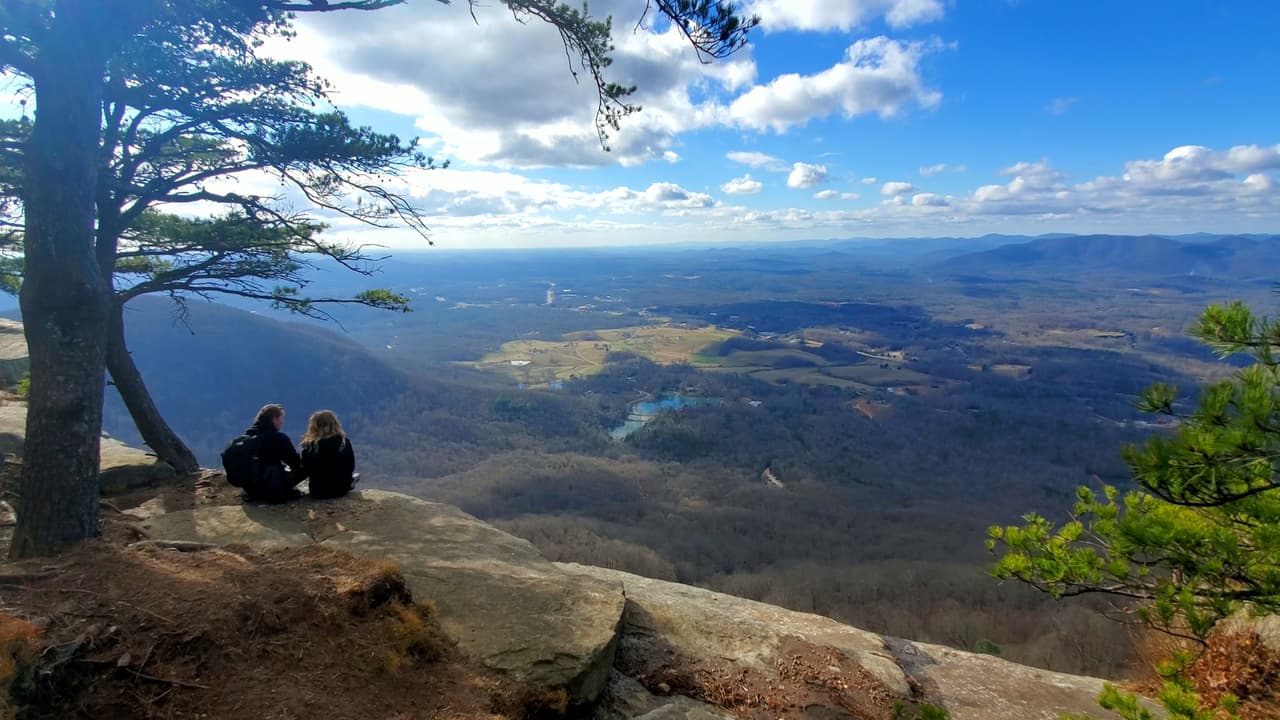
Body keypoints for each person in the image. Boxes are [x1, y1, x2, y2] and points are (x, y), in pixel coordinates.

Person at [242, 403, 306, 503]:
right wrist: (307, 448)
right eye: (281, 418)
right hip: (271, 487)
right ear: (274, 419)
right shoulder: (278, 438)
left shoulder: (248, 436)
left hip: (251, 488)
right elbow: (295, 463)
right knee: (306, 467)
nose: (282, 422)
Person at [300, 410, 359, 499]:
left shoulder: (310, 446)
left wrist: (306, 448)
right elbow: (351, 466)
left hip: (318, 491)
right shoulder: (344, 442)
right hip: (341, 489)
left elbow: (306, 470)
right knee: (355, 475)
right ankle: (350, 482)